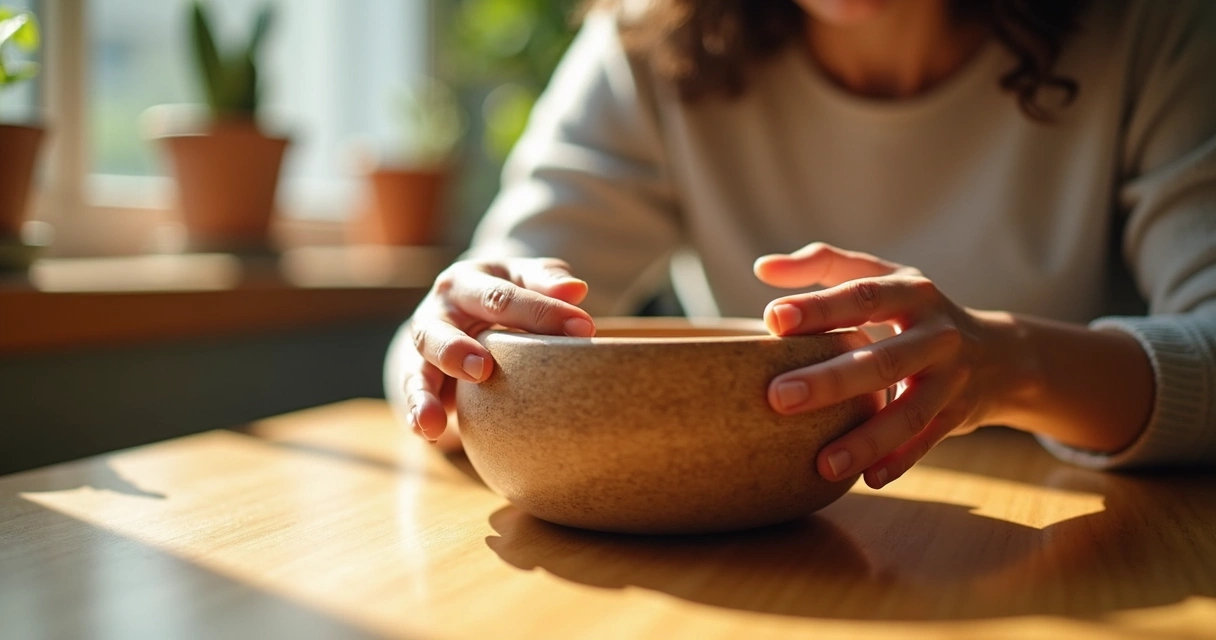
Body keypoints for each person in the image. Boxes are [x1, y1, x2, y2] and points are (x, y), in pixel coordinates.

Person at [386, 0, 1216, 488]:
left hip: (1095, 539)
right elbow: (451, 333)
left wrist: (1015, 367)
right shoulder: (652, 41)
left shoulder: (1151, 31)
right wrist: (448, 358)